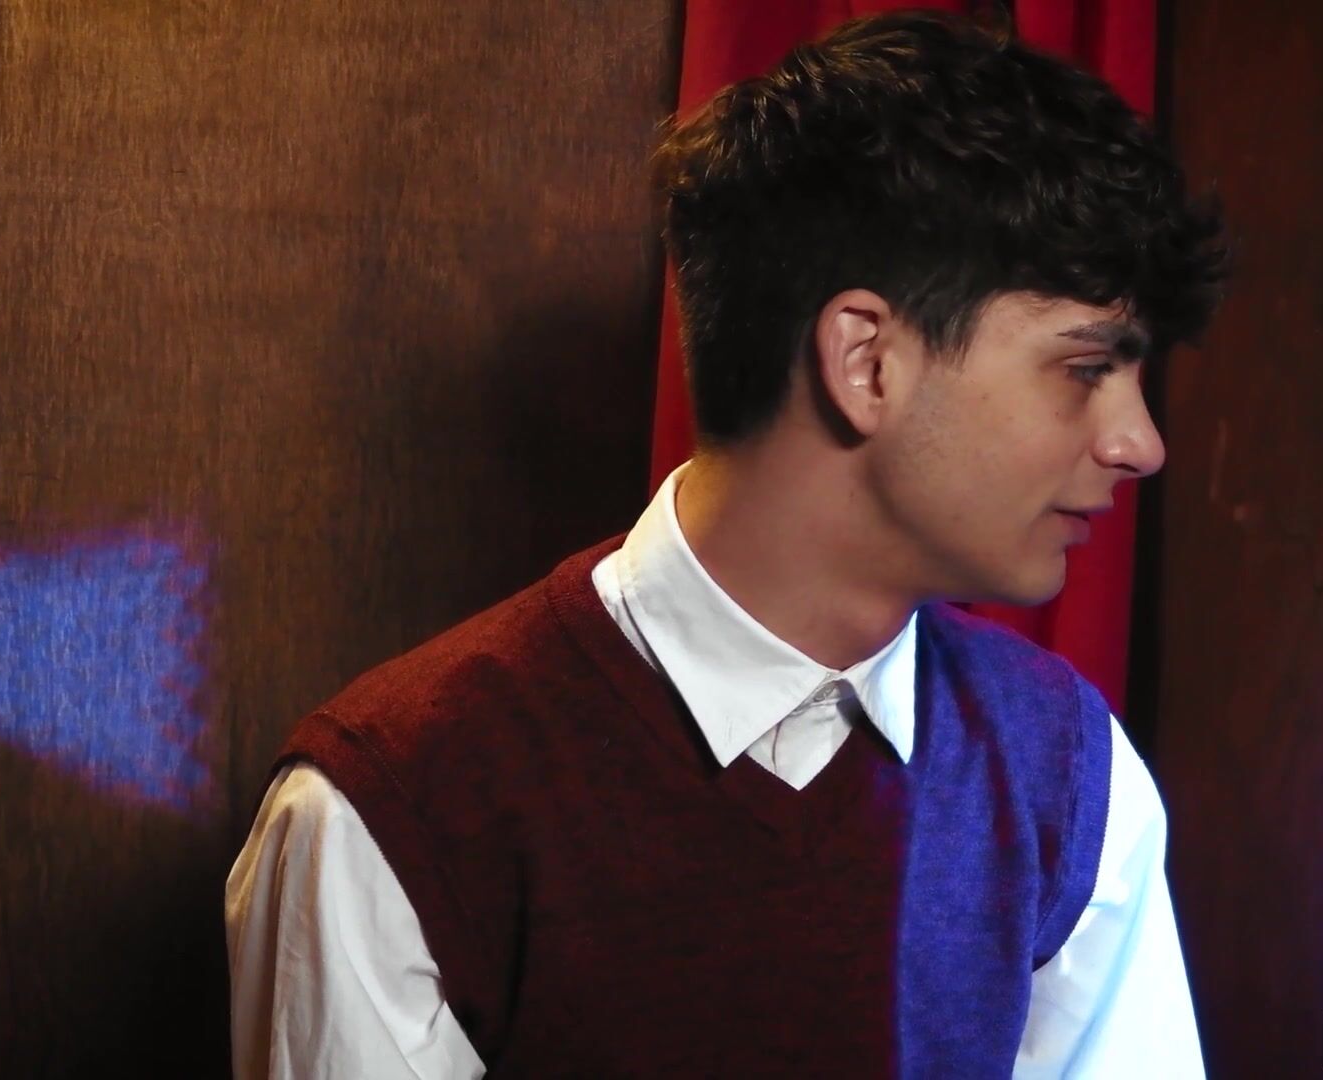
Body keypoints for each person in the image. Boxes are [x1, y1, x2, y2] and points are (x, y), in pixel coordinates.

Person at [225, 9, 1225, 1077]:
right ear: (866, 363)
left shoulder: (1068, 772)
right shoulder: (392, 807)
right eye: (1086, 369)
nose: (1140, 444)